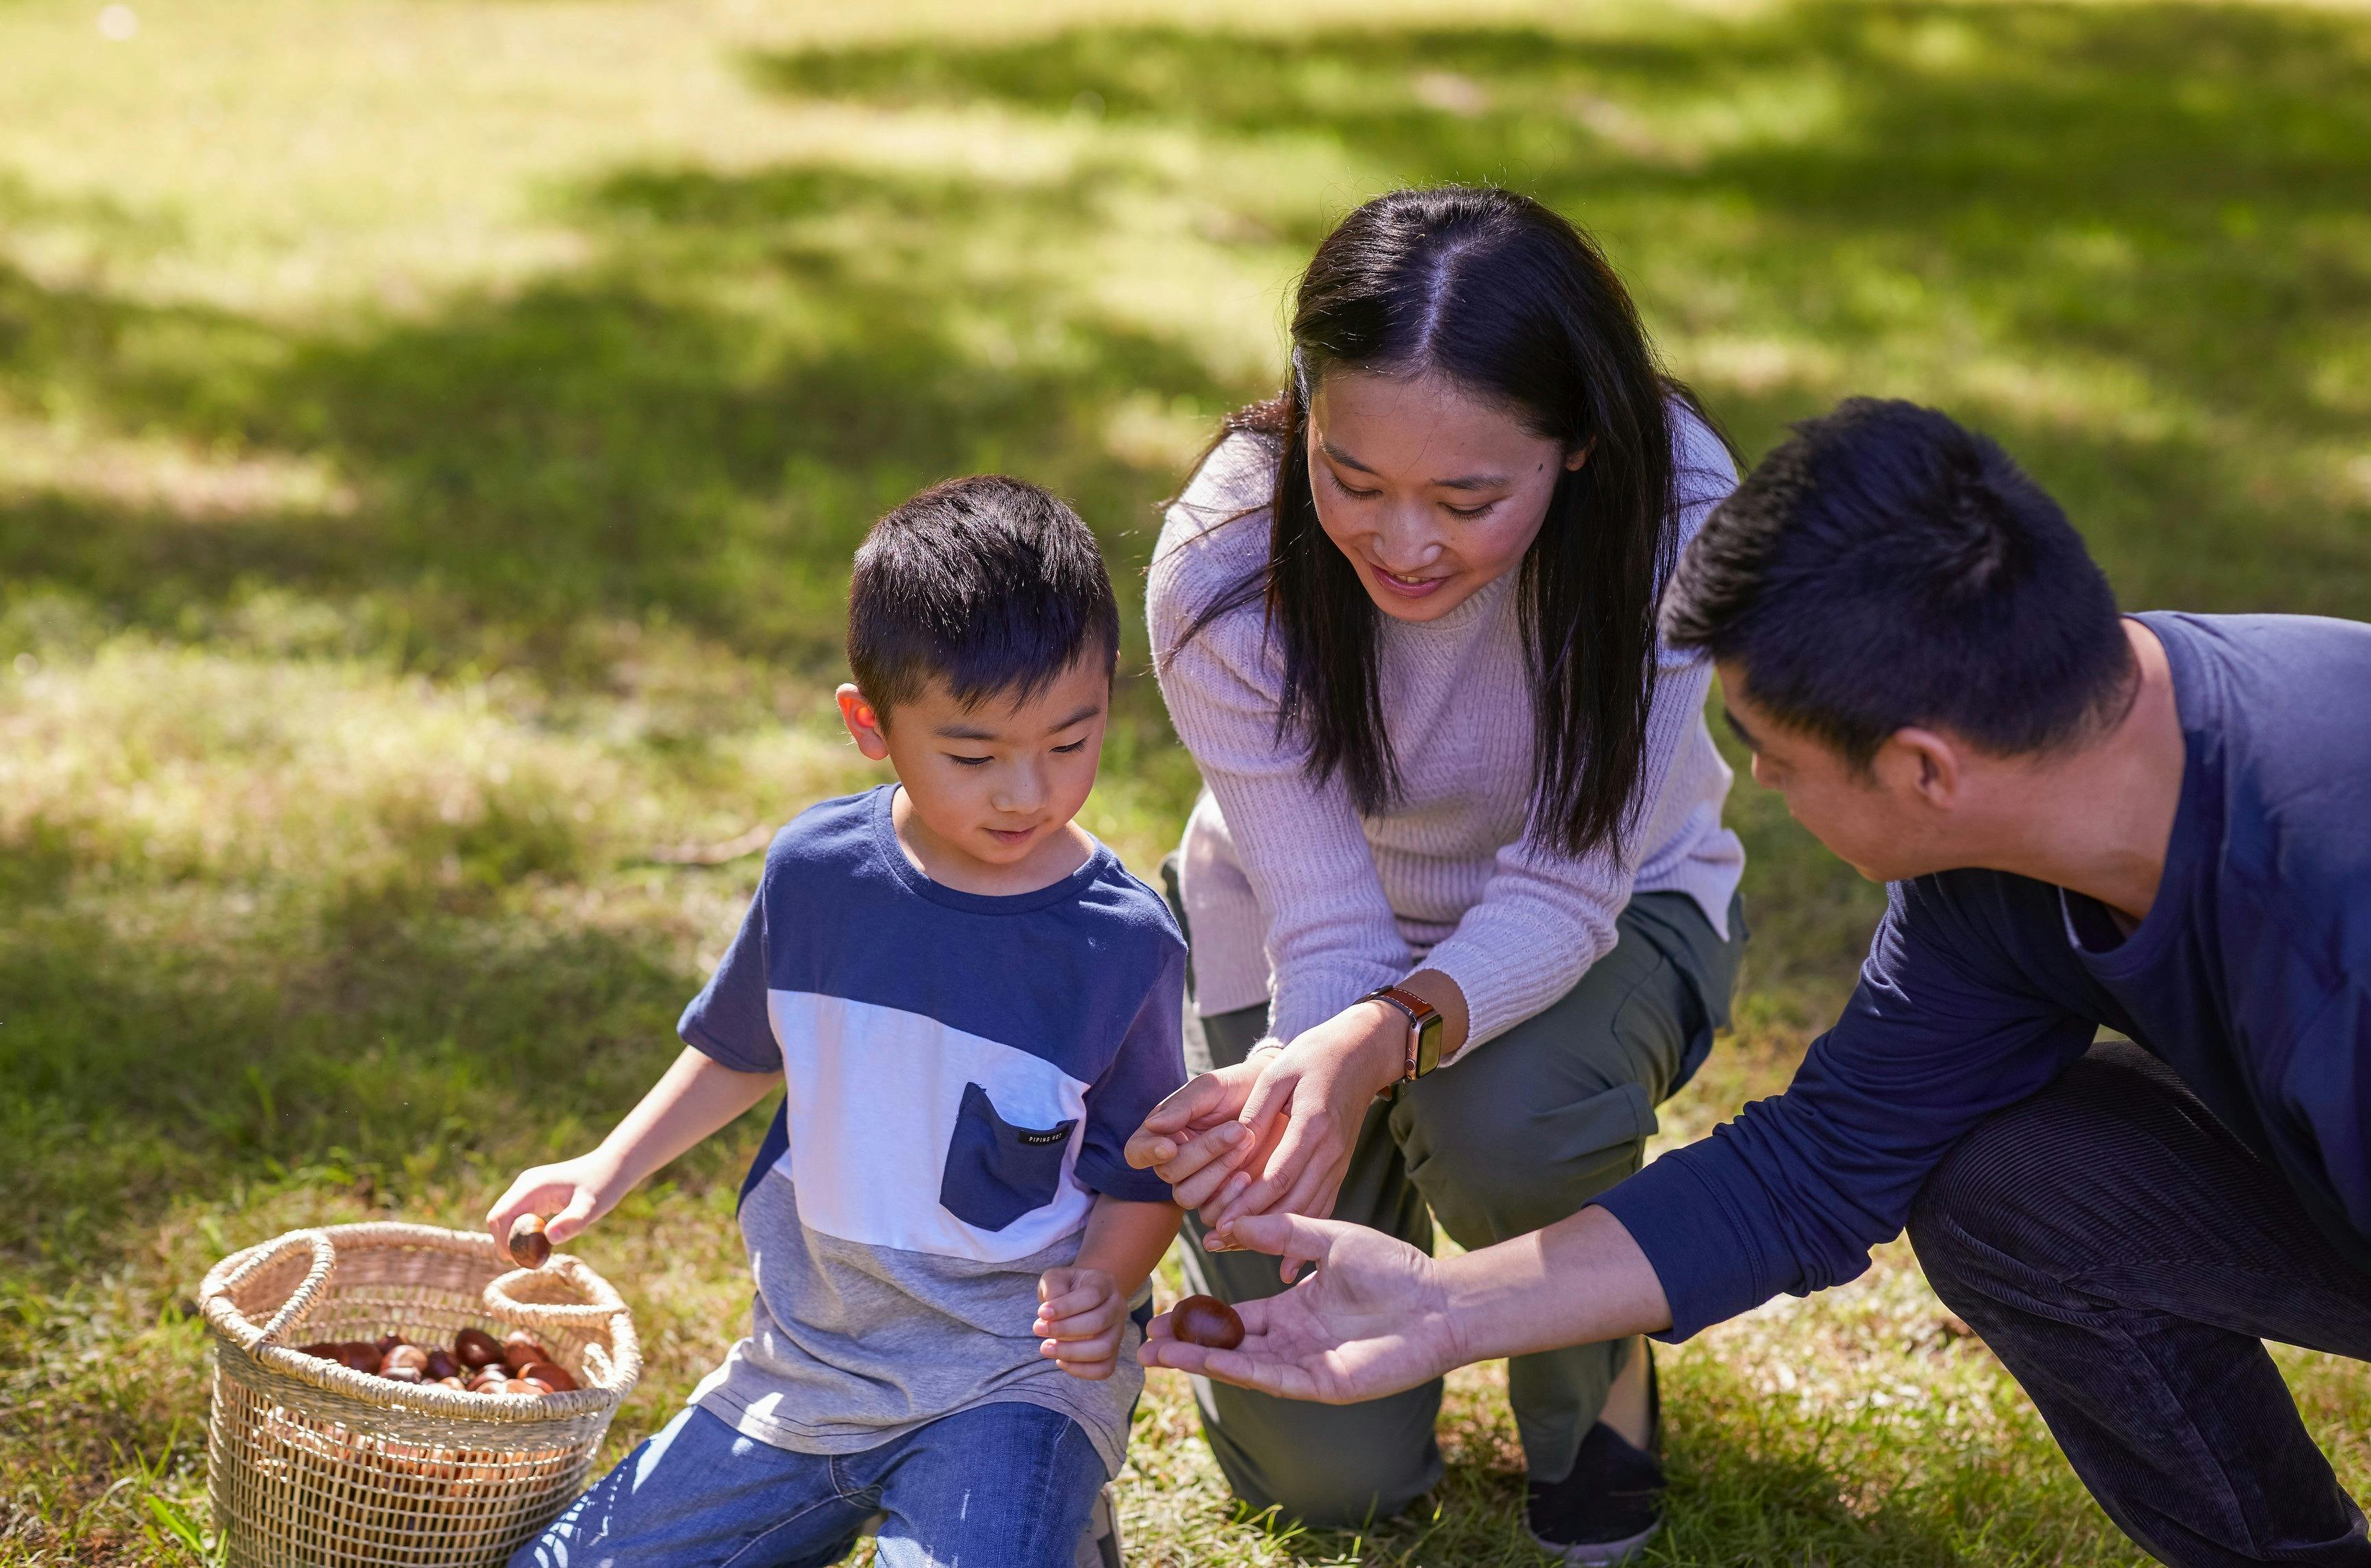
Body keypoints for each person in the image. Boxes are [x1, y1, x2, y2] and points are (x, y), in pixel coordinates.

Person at [1138, 398, 2371, 1568]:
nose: (1763, 791)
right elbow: (1815, 1171)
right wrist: (1441, 1310)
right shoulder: (2006, 847)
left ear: (1922, 769)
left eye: (1773, 757)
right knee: (2011, 1182)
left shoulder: (2331, 885)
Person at [1131, 185, 1748, 1560]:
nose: (1405, 545)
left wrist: (1389, 1039)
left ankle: (1590, 1372)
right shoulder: (1224, 559)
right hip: (1300, 946)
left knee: (1507, 1116)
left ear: (1579, 445)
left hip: (1610, 920)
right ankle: (1395, 1201)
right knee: (1325, 1474)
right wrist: (1317, 1064)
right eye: (1352, 479)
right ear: (1304, 410)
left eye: (1469, 498)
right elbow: (1327, 921)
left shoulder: (1679, 511)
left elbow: (1567, 893)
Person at [489, 477, 1187, 1568]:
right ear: (870, 724)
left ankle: (1043, 1508)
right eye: (972, 753)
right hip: (812, 1360)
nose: (1027, 791)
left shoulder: (1121, 941)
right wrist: (606, 1164)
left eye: (1070, 740)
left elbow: (1148, 1166)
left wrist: (1105, 1283)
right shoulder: (817, 876)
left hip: (1012, 1377)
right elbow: (739, 1047)